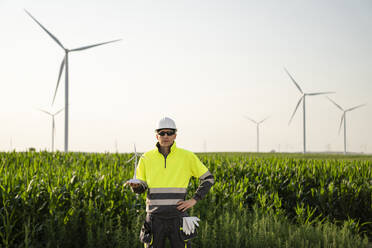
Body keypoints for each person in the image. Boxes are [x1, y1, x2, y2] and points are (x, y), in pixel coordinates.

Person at [127, 117, 215, 248]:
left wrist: (194, 200)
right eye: (162, 133)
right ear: (156, 136)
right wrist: (135, 187)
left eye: (170, 132)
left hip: (178, 216)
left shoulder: (187, 156)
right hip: (154, 218)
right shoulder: (146, 158)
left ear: (175, 135)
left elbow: (209, 179)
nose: (166, 136)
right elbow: (141, 188)